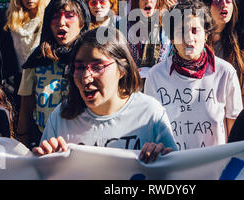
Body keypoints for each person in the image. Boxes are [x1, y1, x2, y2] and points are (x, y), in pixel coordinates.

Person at [32, 27, 176, 162]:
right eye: (80, 67)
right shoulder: (61, 116)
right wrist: (46, 162)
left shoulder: (150, 113)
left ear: (122, 69)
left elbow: (174, 173)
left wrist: (163, 159)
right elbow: (41, 172)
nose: (86, 77)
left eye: (98, 67)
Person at [144, 0, 243, 150]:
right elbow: (150, 131)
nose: (189, 38)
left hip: (215, 168)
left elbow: (236, 134)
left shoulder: (225, 73)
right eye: (180, 31)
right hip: (173, 168)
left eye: (195, 30)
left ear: (206, 35)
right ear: (171, 38)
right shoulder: (156, 76)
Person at [16, 0, 90, 148]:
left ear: (82, 23)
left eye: (70, 15)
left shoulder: (91, 59)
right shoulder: (36, 59)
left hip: (82, 141)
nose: (61, 22)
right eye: (55, 17)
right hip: (43, 141)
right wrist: (22, 139)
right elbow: (26, 105)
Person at [204, 0, 244, 107]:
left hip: (235, 109)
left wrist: (239, 118)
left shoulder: (242, 38)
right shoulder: (197, 38)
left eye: (229, 1)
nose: (224, 4)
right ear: (207, 6)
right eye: (218, 0)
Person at [127, 0, 171, 81]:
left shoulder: (168, 26)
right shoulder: (126, 26)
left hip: (161, 83)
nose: (148, 0)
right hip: (135, 83)